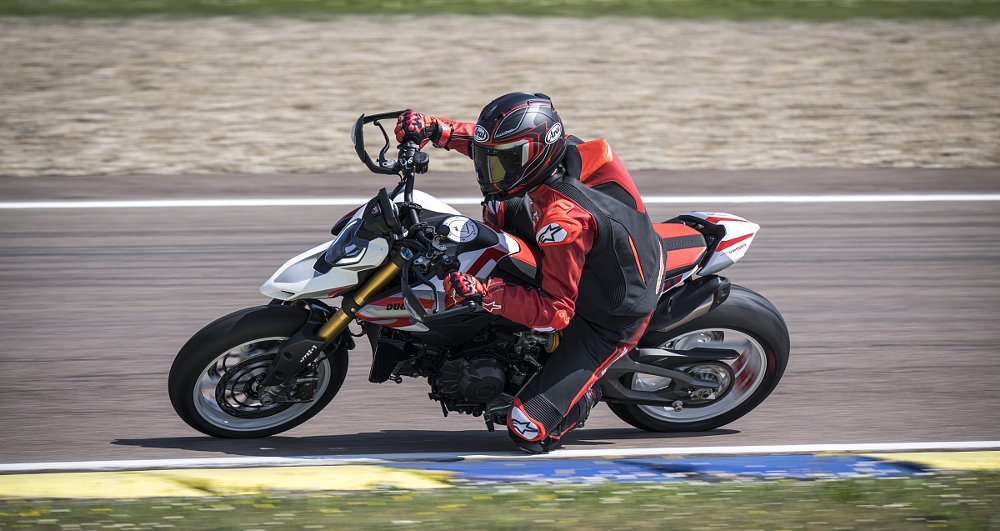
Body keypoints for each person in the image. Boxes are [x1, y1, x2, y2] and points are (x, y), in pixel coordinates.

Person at [395, 92, 665, 453]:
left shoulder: (562, 223)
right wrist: (436, 129)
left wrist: (484, 294)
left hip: (611, 312)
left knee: (527, 429)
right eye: (489, 159)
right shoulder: (559, 151)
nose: (488, 169)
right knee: (499, 207)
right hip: (597, 255)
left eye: (503, 162)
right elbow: (494, 144)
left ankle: (587, 390)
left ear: (535, 156)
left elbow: (557, 312)